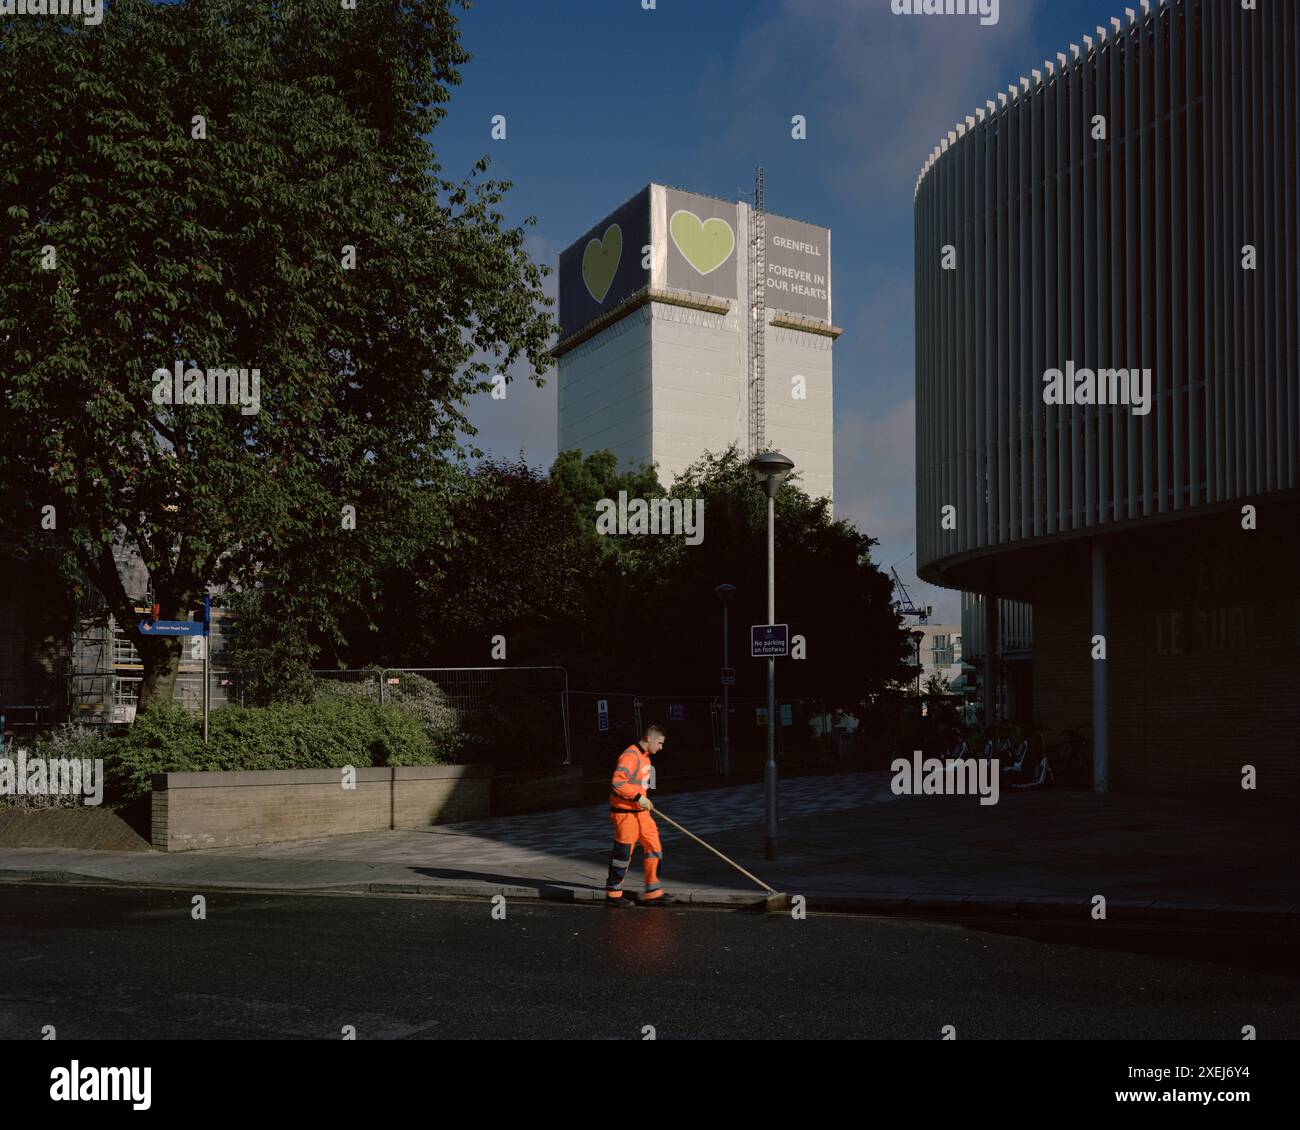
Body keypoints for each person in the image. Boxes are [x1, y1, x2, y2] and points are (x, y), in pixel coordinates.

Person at [605, 723, 676, 907]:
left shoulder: (646, 759)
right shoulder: (630, 755)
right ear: (649, 738)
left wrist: (644, 799)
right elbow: (617, 783)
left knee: (654, 846)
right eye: (659, 743)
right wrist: (639, 797)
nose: (661, 747)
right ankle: (613, 895)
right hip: (625, 814)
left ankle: (653, 892)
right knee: (623, 855)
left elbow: (644, 785)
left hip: (640, 813)